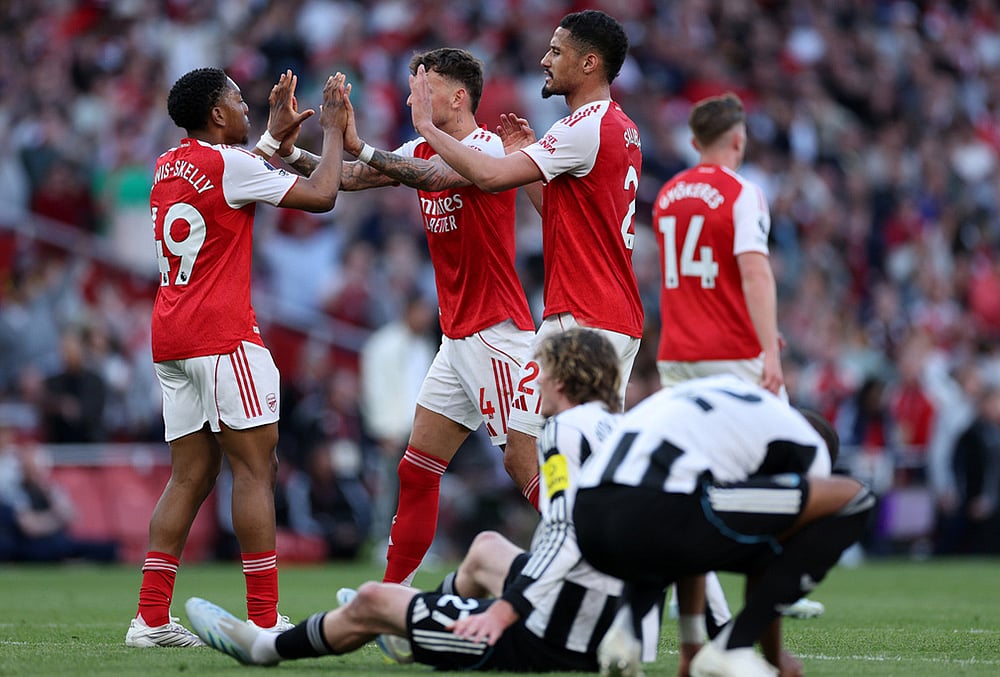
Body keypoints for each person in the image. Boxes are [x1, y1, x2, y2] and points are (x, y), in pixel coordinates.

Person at [183, 328, 655, 672]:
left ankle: (263, 648)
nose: (533, 381)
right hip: (615, 615)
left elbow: (566, 532)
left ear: (561, 380)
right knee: (487, 546)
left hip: (560, 631)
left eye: (542, 370)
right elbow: (665, 526)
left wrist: (505, 609)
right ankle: (416, 619)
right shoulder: (620, 428)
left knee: (370, 601)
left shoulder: (563, 433)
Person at [277, 48, 538, 584]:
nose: (412, 98)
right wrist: (290, 151)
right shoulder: (420, 146)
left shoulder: (487, 148)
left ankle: (610, 560)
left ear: (458, 97)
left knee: (525, 465)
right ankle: (388, 596)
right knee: (416, 470)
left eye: (424, 89)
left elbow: (433, 178)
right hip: (458, 339)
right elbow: (349, 177)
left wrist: (368, 146)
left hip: (497, 334)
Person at [125, 67, 350, 648]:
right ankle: (264, 616)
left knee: (189, 476)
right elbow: (322, 196)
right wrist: (330, 128)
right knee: (256, 469)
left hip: (171, 336)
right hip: (224, 337)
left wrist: (272, 142)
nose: (248, 107)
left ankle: (149, 620)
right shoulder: (232, 165)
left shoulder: (166, 165)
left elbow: (233, 178)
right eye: (237, 101)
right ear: (217, 115)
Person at [405, 10, 644, 514]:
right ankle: (640, 566)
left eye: (557, 51)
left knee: (524, 452)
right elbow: (560, 213)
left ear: (589, 63)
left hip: (579, 321)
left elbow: (489, 178)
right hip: (613, 318)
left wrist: (427, 125)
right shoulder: (621, 128)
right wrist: (530, 161)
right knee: (596, 462)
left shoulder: (581, 127)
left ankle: (578, 547)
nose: (545, 59)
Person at [653, 91, 827, 622]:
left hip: (677, 354)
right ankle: (780, 582)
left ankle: (717, 611)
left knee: (694, 480)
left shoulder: (666, 194)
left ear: (692, 141)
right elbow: (753, 271)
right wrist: (769, 346)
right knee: (800, 460)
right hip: (731, 353)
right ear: (738, 138)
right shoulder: (743, 191)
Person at [574, 375, 875, 677]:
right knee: (856, 498)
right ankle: (733, 646)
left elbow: (695, 541)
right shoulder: (809, 447)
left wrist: (691, 643)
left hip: (589, 515)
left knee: (686, 520)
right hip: (656, 509)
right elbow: (772, 544)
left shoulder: (732, 410)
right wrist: (773, 656)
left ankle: (625, 633)